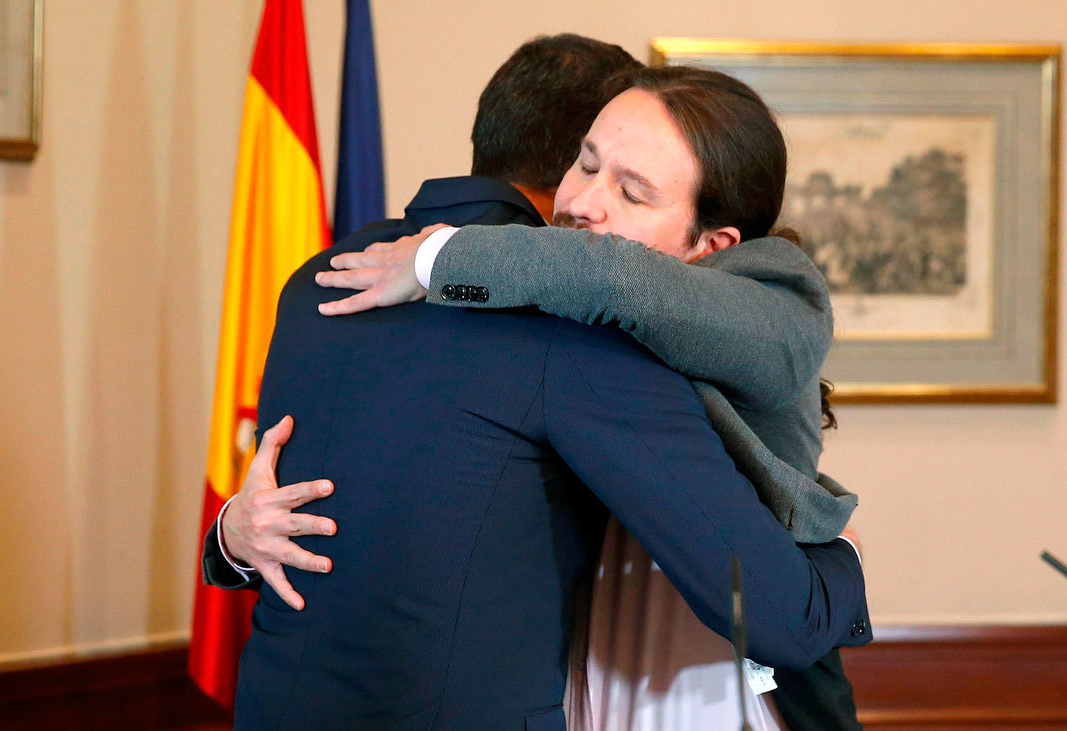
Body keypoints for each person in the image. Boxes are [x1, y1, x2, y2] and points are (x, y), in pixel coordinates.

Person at [205, 42, 869, 730]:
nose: (585, 204)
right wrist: (234, 529)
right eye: (585, 163)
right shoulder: (564, 328)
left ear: (714, 244)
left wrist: (228, 536)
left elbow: (609, 277)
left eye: (632, 189)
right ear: (563, 156)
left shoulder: (319, 277)